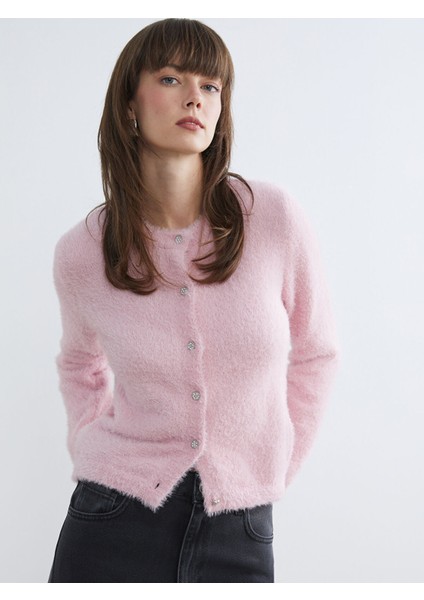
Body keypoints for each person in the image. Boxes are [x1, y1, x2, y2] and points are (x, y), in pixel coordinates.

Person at [47, 18, 340, 583]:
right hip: (112, 517)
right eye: (171, 78)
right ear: (129, 105)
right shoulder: (83, 252)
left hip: (240, 526)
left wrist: (277, 462)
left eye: (210, 85)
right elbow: (79, 365)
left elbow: (317, 353)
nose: (194, 97)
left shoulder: (272, 218)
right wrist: (89, 445)